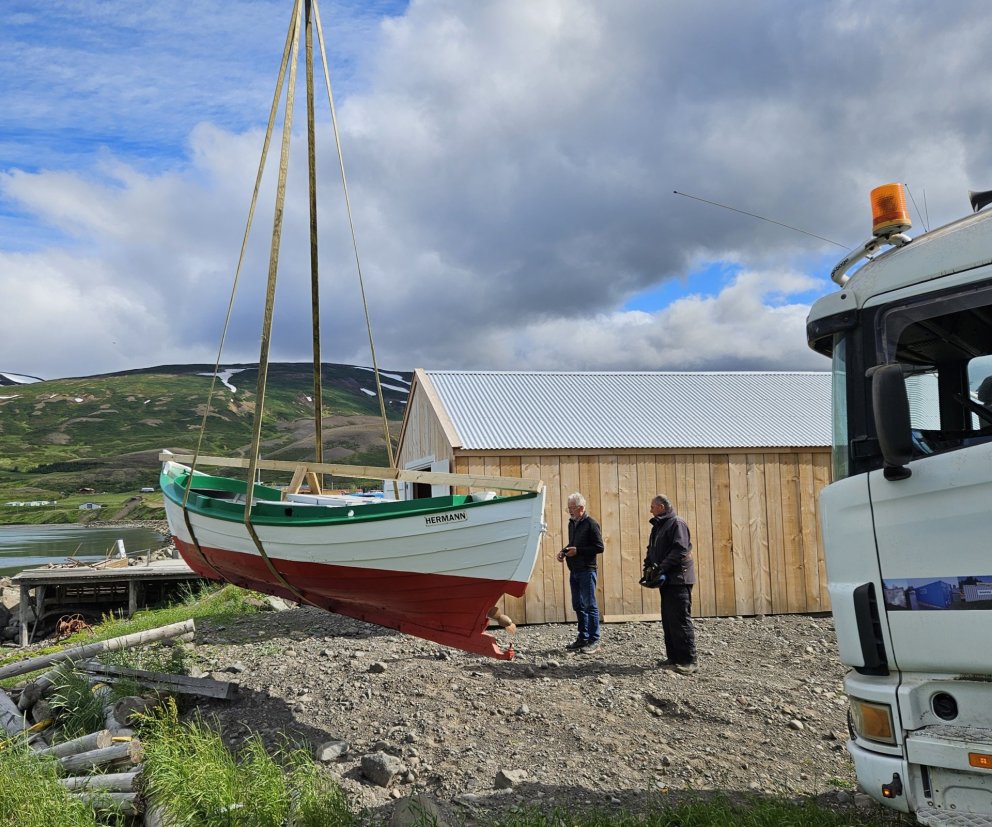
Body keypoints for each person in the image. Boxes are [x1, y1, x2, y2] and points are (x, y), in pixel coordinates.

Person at [644, 494, 697, 674]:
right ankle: (673, 657)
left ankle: (689, 660)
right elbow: (651, 548)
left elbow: (680, 549)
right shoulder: (659, 526)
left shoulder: (676, 523)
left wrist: (661, 567)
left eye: (652, 506)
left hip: (679, 579)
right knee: (668, 619)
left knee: (680, 619)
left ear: (661, 507)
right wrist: (648, 565)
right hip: (668, 580)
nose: (650, 509)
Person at [557, 492, 605, 654]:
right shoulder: (572, 523)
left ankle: (594, 640)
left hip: (587, 570)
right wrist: (564, 551)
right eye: (568, 508)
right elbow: (573, 544)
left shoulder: (591, 524)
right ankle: (583, 637)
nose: (570, 511)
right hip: (575, 570)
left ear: (581, 508)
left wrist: (578, 551)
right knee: (578, 605)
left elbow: (599, 547)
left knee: (590, 605)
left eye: (572, 507)